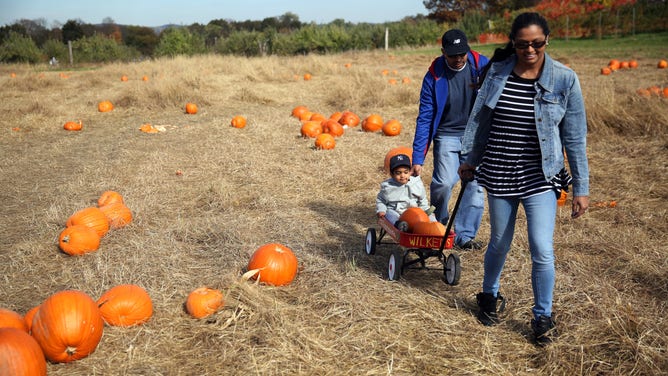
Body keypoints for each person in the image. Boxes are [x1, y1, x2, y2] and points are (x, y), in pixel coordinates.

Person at [458, 12, 590, 346]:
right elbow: (480, 120)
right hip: (500, 170)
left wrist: (581, 188)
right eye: (521, 44)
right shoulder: (498, 73)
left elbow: (574, 138)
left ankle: (542, 317)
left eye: (536, 43)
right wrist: (469, 160)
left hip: (540, 175)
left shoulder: (564, 79)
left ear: (548, 40)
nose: (529, 49)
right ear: (513, 43)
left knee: (542, 249)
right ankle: (488, 295)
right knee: (499, 241)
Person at [411, 29, 489, 250]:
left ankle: (465, 236)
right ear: (443, 52)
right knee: (443, 183)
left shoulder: (481, 66)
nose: (458, 59)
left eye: (461, 54)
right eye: (452, 55)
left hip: (474, 135)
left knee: (473, 186)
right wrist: (418, 157)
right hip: (446, 134)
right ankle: (438, 226)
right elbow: (425, 117)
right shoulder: (434, 75)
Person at [376, 154, 433, 228]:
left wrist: (426, 211)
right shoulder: (388, 187)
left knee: (431, 216)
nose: (402, 176)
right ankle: (400, 225)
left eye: (406, 172)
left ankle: (435, 226)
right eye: (398, 173)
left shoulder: (416, 184)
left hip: (414, 214)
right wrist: (381, 210)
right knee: (389, 214)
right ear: (392, 174)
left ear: (410, 172)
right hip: (397, 213)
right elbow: (381, 200)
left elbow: (422, 200)